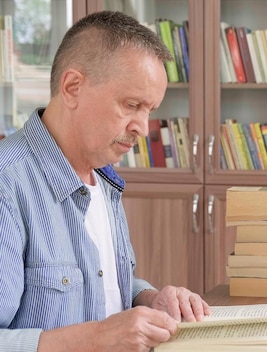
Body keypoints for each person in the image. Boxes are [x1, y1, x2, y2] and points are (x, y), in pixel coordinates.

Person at [0, 11, 210, 351]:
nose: (143, 127)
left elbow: (102, 287)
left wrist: (148, 298)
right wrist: (96, 338)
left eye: (149, 110)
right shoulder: (6, 185)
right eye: (131, 105)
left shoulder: (102, 177)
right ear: (72, 88)